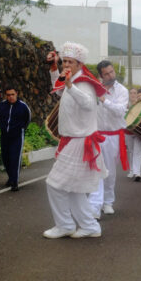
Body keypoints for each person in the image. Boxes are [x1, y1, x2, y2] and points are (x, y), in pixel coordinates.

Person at [44, 44, 107, 239]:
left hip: (80, 141)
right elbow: (60, 90)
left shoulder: (84, 82)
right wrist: (55, 70)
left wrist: (70, 84)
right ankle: (89, 226)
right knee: (73, 189)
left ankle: (65, 225)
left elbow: (88, 104)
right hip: (74, 139)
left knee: (55, 184)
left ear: (79, 64)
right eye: (65, 61)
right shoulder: (73, 80)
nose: (66, 65)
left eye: (70, 62)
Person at [88, 60, 129, 216]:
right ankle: (95, 206)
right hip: (96, 135)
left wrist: (104, 100)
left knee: (110, 171)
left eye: (112, 71)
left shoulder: (122, 91)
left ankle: (108, 201)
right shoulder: (94, 89)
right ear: (100, 75)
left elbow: (119, 111)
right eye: (106, 73)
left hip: (113, 136)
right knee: (96, 170)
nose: (111, 75)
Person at [0, 87, 31, 192]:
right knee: (5, 158)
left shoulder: (23, 107)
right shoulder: (2, 106)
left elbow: (27, 119)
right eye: (8, 95)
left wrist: (21, 128)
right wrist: (3, 127)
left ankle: (14, 182)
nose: (10, 97)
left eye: (12, 94)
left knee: (15, 158)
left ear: (16, 94)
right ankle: (11, 177)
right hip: (5, 136)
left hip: (17, 136)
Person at [125, 87, 141, 182]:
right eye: (131, 93)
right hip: (128, 131)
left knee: (137, 151)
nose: (132, 95)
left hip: (139, 132)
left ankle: (138, 173)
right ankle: (132, 170)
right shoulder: (125, 105)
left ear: (137, 94)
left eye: (134, 93)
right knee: (131, 151)